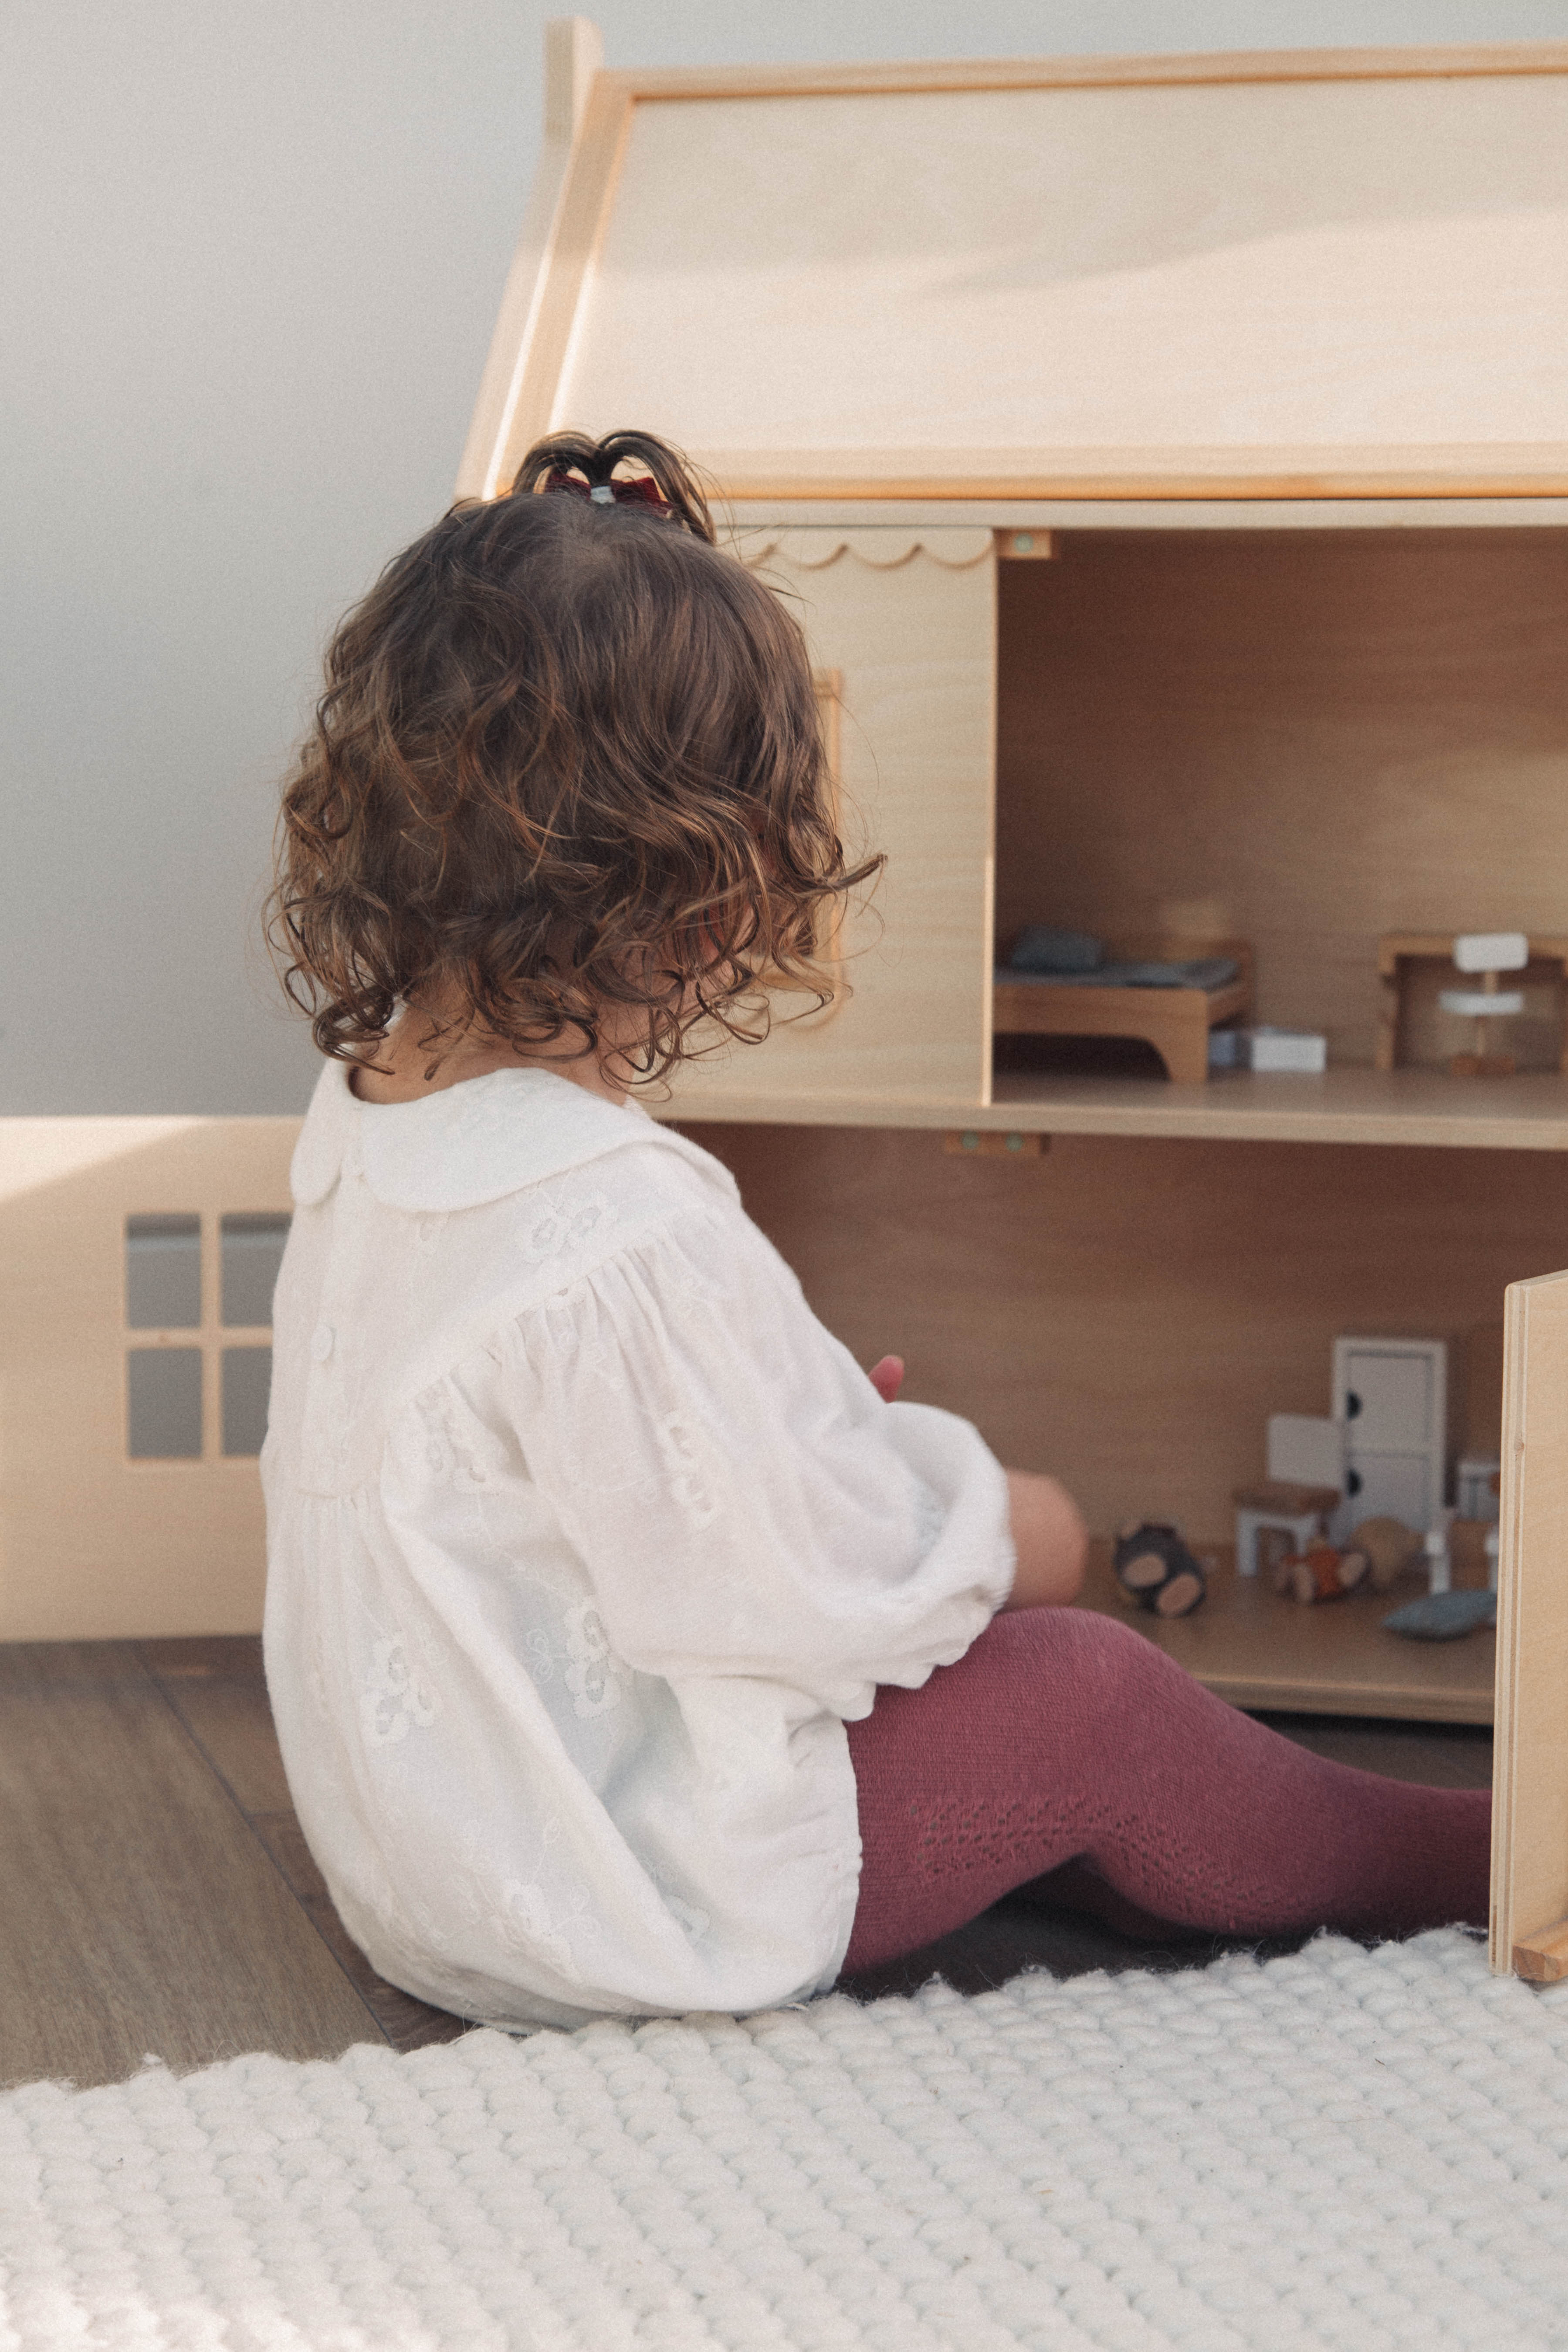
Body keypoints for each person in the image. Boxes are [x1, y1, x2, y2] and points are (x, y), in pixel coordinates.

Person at [261, 429, 1489, 2032]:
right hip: (633, 1901)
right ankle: (1468, 1858)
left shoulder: (366, 1117)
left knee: (1025, 1752)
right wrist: (1007, 1532)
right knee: (1090, 1703)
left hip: (442, 1860)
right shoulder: (614, 1219)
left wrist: (807, 1423)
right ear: (704, 907)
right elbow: (804, 1604)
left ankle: (1151, 1866)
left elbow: (586, 1511)